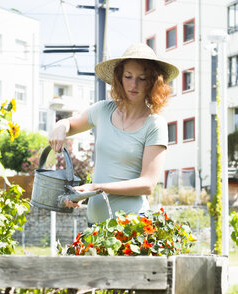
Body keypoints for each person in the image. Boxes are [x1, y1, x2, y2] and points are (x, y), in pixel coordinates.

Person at [49, 43, 179, 224]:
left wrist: (97, 188)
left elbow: (147, 184)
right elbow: (70, 123)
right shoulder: (103, 110)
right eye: (128, 76)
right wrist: (61, 126)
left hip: (131, 226)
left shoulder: (154, 125)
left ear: (153, 82)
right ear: (119, 77)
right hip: (94, 224)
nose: (133, 84)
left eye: (142, 78)